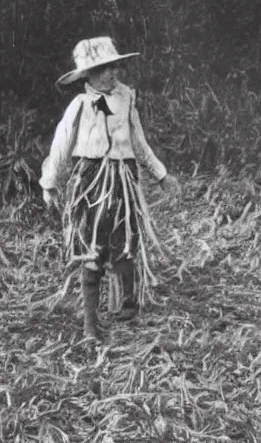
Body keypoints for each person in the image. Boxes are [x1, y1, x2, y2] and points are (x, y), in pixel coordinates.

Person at [39, 36, 179, 339]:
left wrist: (160, 174)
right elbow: (61, 144)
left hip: (123, 180)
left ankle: (126, 310)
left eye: (114, 66)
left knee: (125, 241)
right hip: (90, 182)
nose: (111, 73)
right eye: (102, 69)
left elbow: (138, 142)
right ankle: (91, 323)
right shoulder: (79, 105)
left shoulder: (126, 98)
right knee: (92, 245)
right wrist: (49, 183)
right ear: (87, 74)